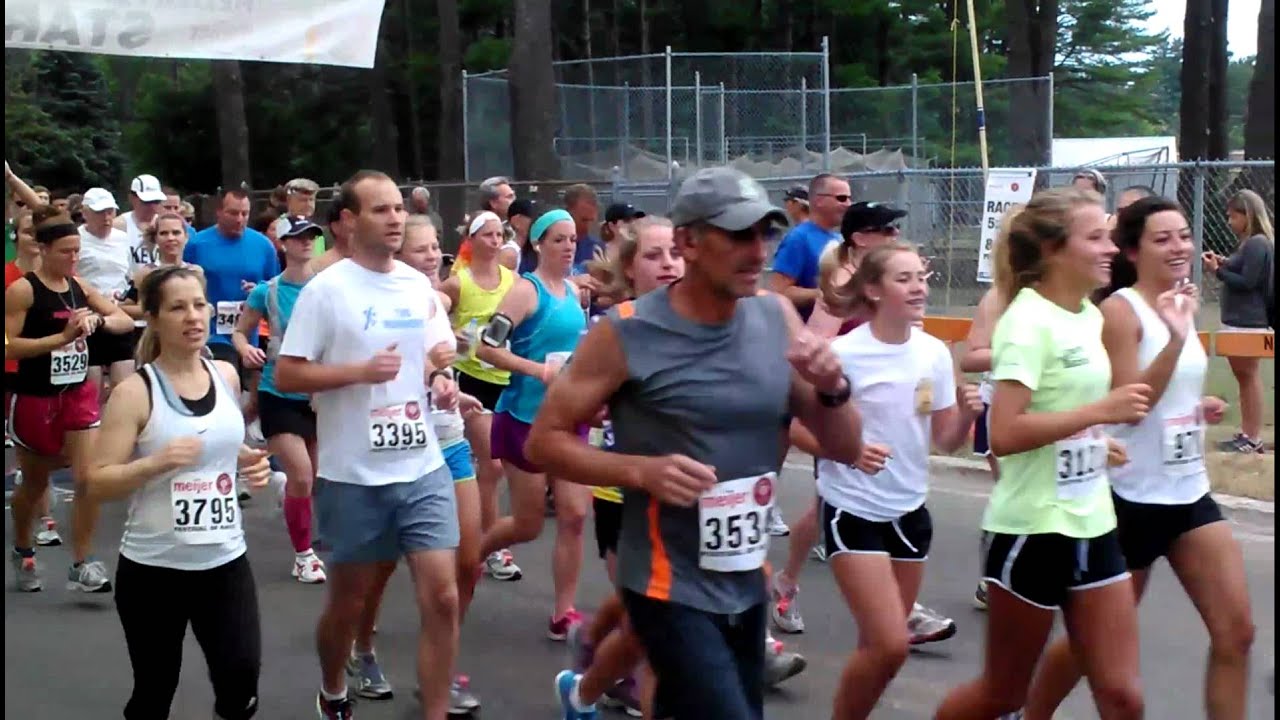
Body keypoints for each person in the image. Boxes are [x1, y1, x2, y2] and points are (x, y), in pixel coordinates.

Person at [529, 167, 863, 720]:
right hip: (666, 583)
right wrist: (639, 471)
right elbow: (545, 442)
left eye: (763, 234)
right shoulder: (625, 332)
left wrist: (833, 389)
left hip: (745, 578)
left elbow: (846, 449)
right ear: (688, 241)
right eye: (737, 235)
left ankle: (585, 685)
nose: (757, 251)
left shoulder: (775, 316)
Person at [1021, 195, 1255, 720]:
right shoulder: (1119, 311)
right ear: (1132, 251)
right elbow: (1131, 404)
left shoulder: (1180, 303)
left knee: (1237, 632)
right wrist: (1174, 340)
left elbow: (1167, 397)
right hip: (1128, 500)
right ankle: (1027, 712)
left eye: (1184, 236)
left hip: (1187, 493)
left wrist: (1196, 408)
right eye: (1162, 239)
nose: (1179, 248)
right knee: (1088, 646)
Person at [934, 186, 1153, 720]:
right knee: (1003, 695)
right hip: (1032, 530)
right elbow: (1005, 434)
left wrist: (1095, 442)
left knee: (1123, 696)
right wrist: (1099, 413)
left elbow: (1064, 410)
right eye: (1095, 237)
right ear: (1054, 249)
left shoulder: (1087, 315)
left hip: (1093, 522)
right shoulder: (1026, 323)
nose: (1111, 247)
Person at [273, 170, 461, 720]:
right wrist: (358, 371)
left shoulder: (415, 286)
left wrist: (441, 381)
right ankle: (333, 687)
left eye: (399, 208)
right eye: (381, 210)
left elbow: (431, 359)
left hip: (421, 466)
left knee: (443, 596)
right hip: (354, 476)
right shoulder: (326, 290)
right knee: (348, 605)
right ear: (350, 222)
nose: (396, 218)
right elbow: (288, 374)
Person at [83, 264, 273, 720]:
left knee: (241, 680)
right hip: (153, 568)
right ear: (153, 317)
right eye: (177, 308)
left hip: (224, 561)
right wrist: (156, 462)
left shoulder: (225, 376)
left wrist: (248, 461)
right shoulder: (135, 393)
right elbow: (95, 481)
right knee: (155, 691)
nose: (193, 316)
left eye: (199, 305)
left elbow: (218, 442)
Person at [802, 242, 981, 719]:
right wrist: (848, 451)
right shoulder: (842, 354)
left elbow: (945, 440)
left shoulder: (934, 353)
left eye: (921, 277)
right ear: (874, 291)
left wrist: (967, 416)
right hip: (851, 508)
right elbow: (797, 428)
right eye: (904, 279)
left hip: (909, 512)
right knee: (890, 644)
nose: (919, 287)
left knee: (881, 648)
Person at [5, 207, 136, 593]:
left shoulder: (79, 286)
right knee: (33, 485)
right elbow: (9, 346)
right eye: (65, 251)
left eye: (77, 251)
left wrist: (98, 321)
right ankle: (23, 548)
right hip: (35, 397)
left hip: (77, 395)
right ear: (44, 249)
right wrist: (61, 339)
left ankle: (82, 561)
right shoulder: (24, 290)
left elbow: (124, 320)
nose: (73, 258)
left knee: (87, 479)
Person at [475, 208, 590, 639]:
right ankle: (474, 554)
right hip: (525, 418)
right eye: (558, 239)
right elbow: (486, 347)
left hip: (569, 417)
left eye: (573, 239)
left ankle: (563, 613)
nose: (568, 246)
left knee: (575, 514)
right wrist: (538, 370)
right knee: (527, 525)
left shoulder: (574, 290)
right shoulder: (527, 291)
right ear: (539, 244)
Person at [393, 214, 483, 714]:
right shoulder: (391, 304)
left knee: (468, 562)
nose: (432, 257)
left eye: (435, 247)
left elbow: (442, 365)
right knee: (375, 574)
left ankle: (441, 665)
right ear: (397, 256)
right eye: (420, 249)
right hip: (404, 446)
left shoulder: (437, 302)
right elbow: (414, 362)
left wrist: (454, 390)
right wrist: (434, 374)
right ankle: (361, 648)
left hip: (448, 438)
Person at [231, 216, 327, 584]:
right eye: (299, 237)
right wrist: (245, 350)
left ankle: (290, 497)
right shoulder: (267, 291)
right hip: (278, 392)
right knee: (301, 474)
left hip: (318, 394)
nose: (307, 243)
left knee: (312, 479)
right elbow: (241, 332)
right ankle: (303, 556)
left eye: (312, 237)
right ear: (283, 244)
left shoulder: (328, 288)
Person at [438, 211, 523, 582]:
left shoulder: (513, 280)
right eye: (487, 235)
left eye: (499, 234)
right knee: (493, 463)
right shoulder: (459, 283)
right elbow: (431, 311)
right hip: (470, 380)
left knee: (492, 465)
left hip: (505, 378)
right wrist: (449, 334)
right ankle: (491, 545)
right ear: (471, 240)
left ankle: (467, 519)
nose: (495, 240)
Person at [958, 203, 1021, 611]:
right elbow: (971, 357)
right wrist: (1017, 352)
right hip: (1001, 406)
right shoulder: (997, 298)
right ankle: (993, 577)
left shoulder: (1068, 298)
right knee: (1013, 493)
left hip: (1048, 410)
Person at [183, 188, 281, 412]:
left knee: (254, 401)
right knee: (225, 390)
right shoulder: (197, 244)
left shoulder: (263, 245)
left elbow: (273, 287)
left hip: (250, 335)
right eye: (233, 213)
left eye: (245, 214)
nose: (240, 219)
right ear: (219, 212)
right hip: (212, 333)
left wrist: (258, 291)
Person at [4, 209, 61, 547]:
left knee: (46, 452)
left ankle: (43, 517)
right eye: (28, 232)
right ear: (16, 237)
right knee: (32, 454)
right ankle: (39, 519)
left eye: (40, 233)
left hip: (55, 374)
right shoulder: (8, 277)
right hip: (15, 372)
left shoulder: (60, 277)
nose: (36, 239)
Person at [1203, 189, 1274, 454]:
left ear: (1247, 215)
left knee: (1248, 376)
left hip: (1248, 320)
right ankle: (1247, 434)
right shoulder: (1251, 244)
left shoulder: (1257, 243)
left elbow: (1248, 282)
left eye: (1233, 216)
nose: (1229, 222)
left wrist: (1217, 271)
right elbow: (1243, 269)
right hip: (1240, 319)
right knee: (1244, 376)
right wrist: (1225, 263)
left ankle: (1252, 438)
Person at [77, 187, 137, 400]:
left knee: (123, 391)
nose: (106, 217)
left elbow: (130, 274)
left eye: (110, 211)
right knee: (92, 392)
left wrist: (125, 298)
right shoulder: (77, 238)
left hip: (118, 315)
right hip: (89, 318)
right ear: (85, 213)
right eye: (100, 212)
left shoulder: (122, 239)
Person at [767, 173, 853, 318]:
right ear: (819, 200)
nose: (848, 204)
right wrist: (823, 294)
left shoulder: (839, 239)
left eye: (849, 198)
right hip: (807, 328)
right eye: (841, 198)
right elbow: (780, 292)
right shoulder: (799, 238)